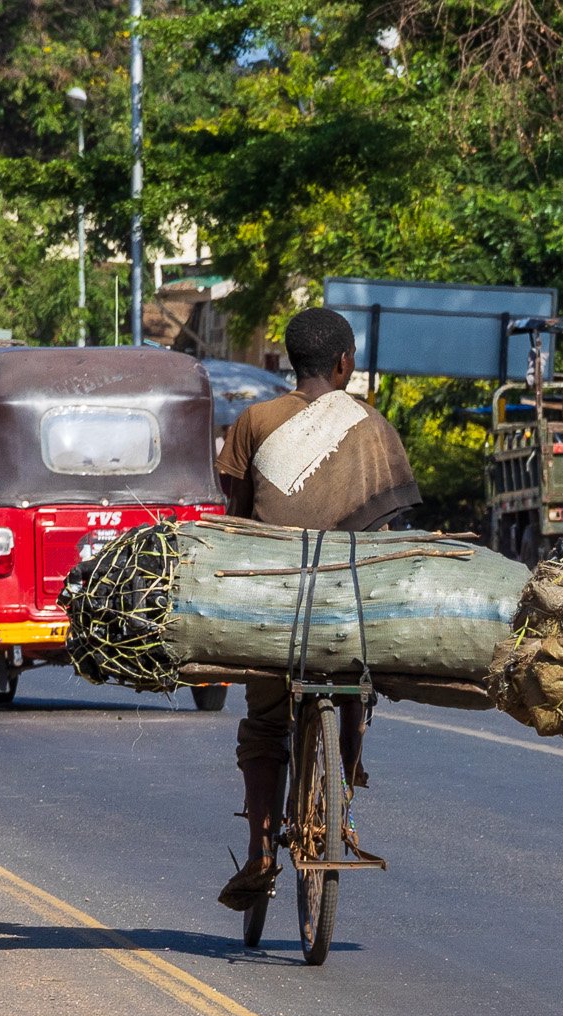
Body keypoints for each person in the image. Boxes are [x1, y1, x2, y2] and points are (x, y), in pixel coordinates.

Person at [212, 306, 422, 913]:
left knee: (264, 724)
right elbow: (391, 527)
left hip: (273, 605)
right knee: (358, 687)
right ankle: (341, 798)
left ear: (288, 363)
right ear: (344, 363)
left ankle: (259, 850)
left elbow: (237, 518)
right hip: (350, 606)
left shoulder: (255, 420)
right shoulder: (371, 426)